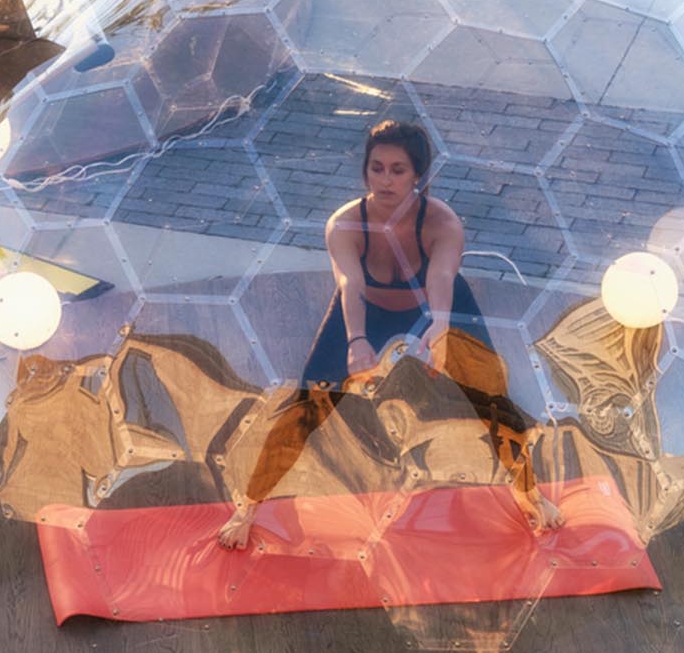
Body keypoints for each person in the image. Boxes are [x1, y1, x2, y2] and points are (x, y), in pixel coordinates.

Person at [218, 119, 563, 549]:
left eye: (398, 170)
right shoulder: (344, 223)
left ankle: (529, 493)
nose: (385, 179)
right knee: (306, 405)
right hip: (369, 309)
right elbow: (351, 285)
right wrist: (357, 340)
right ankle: (249, 504)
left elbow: (440, 276)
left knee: (493, 399)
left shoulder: (442, 223)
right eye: (376, 168)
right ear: (364, 170)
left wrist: (439, 325)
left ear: (418, 174)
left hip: (441, 307)